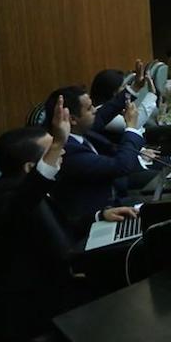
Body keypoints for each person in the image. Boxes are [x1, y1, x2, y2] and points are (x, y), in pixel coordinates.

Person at [0, 101, 137, 342]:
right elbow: (27, 204)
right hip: (35, 303)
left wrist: (99, 216)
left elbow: (59, 222)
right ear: (31, 167)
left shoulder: (25, 189)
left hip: (60, 273)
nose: (62, 152)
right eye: (53, 149)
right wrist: (60, 140)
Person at [43, 85, 144, 234]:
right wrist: (131, 128)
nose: (95, 110)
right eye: (89, 108)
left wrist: (134, 88)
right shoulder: (67, 151)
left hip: (114, 200)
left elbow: (103, 114)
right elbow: (121, 166)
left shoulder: (76, 130)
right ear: (73, 119)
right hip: (96, 220)